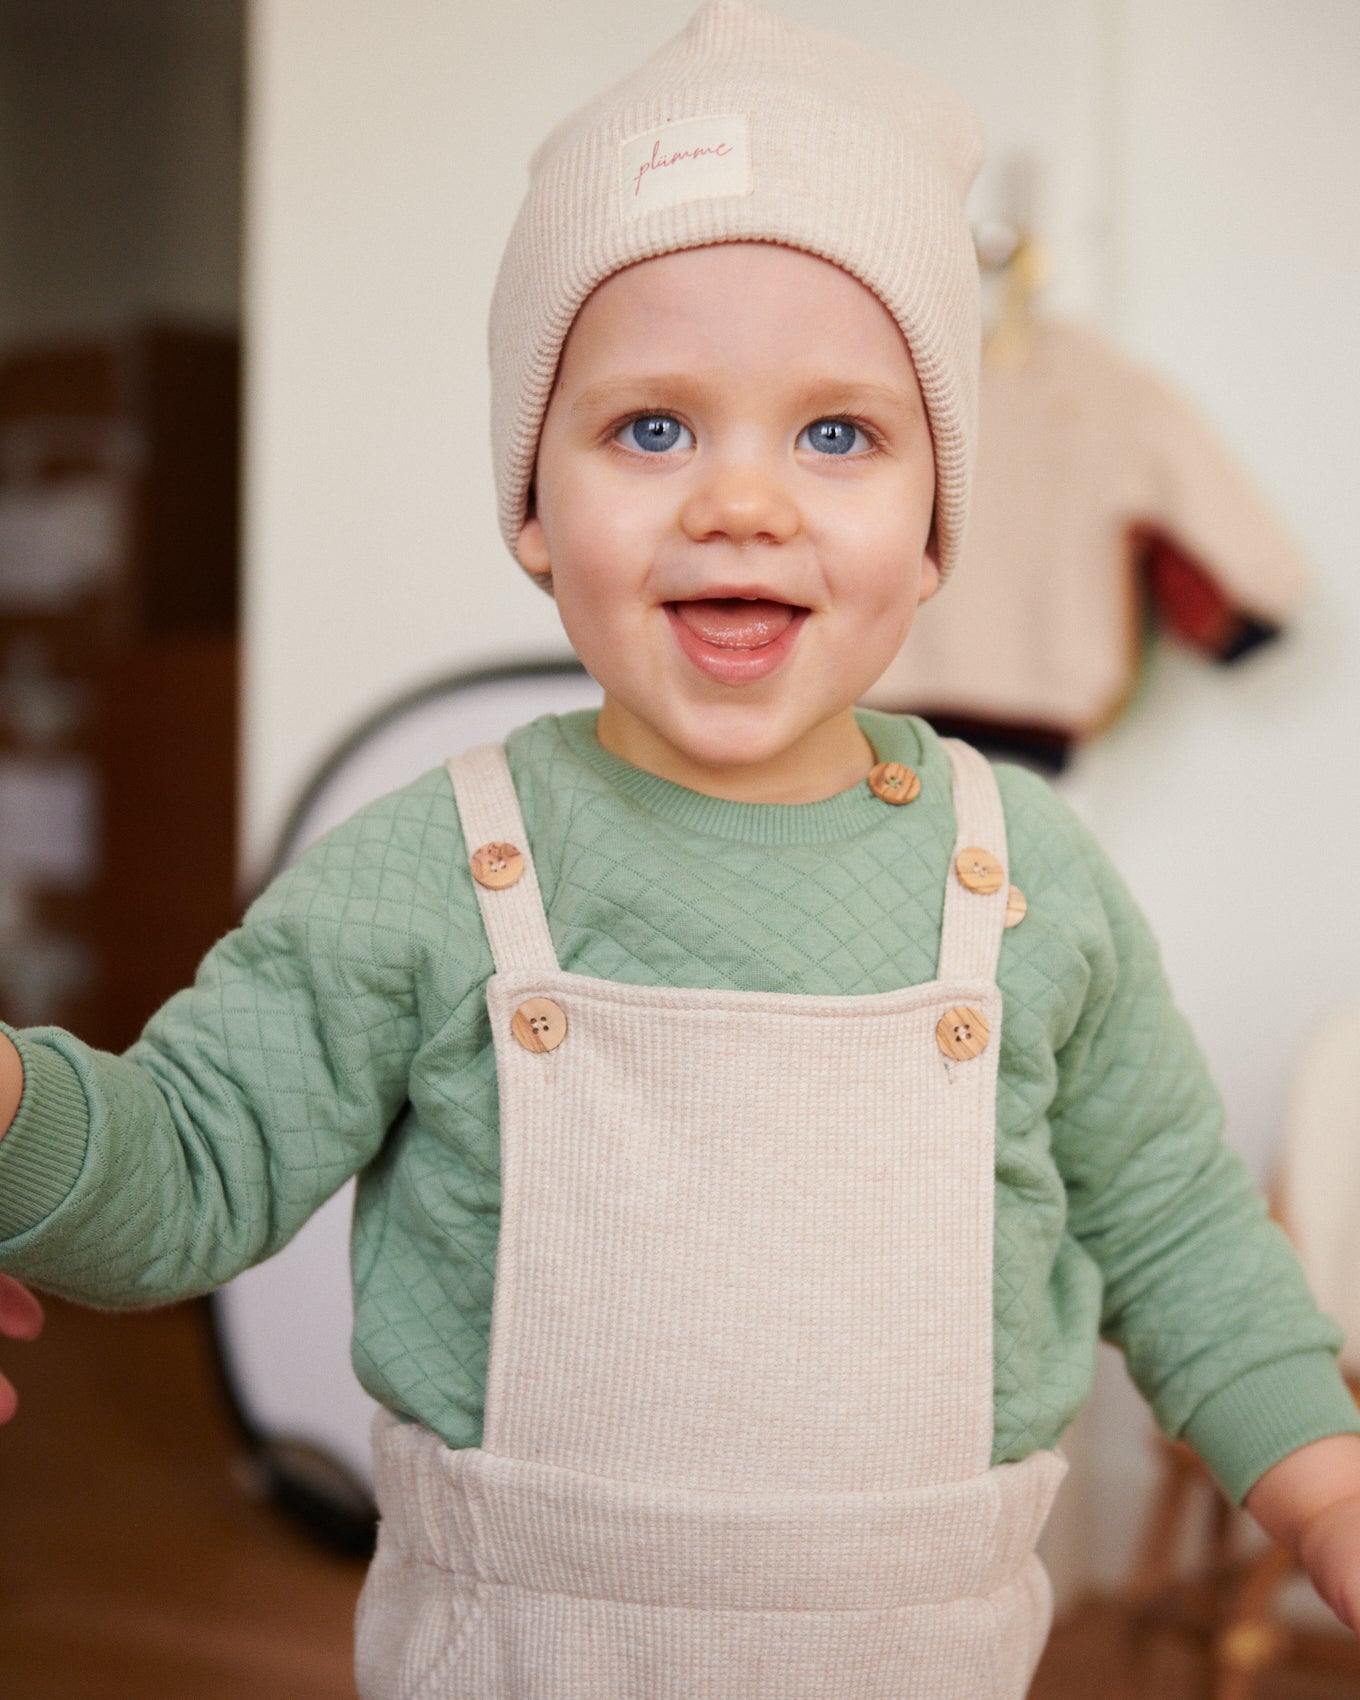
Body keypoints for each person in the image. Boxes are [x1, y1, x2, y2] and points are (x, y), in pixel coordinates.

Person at [2, 3, 1358, 1693]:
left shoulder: (1032, 884)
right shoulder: (429, 869)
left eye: (839, 434)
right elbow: (181, 1170)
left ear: (936, 520)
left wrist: (1322, 1491)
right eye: (653, 428)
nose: (743, 502)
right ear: (531, 504)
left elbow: (1174, 1228)